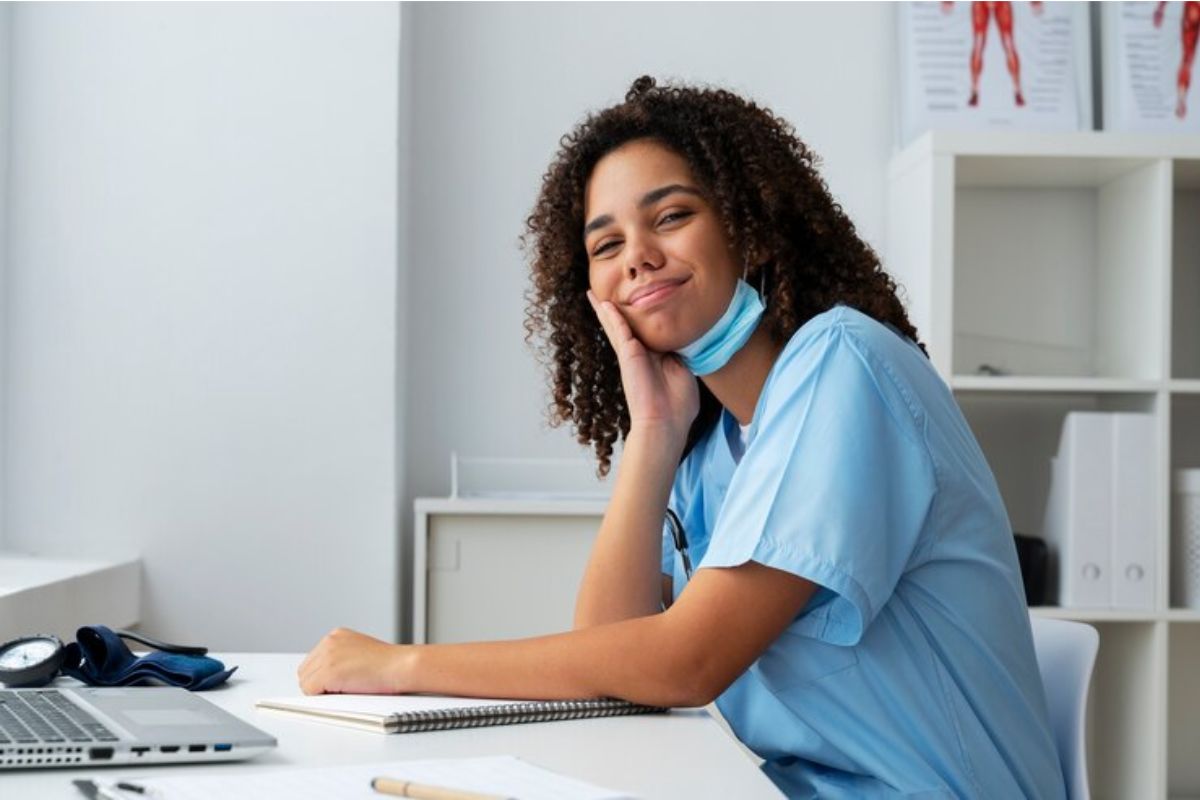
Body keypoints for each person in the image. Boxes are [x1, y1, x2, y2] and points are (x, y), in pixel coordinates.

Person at [299, 76, 1066, 799]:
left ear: (749, 227)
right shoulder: (708, 447)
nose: (637, 255)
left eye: (671, 216)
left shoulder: (844, 365)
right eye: (606, 246)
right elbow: (611, 652)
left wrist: (402, 665)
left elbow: (684, 662)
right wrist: (654, 434)